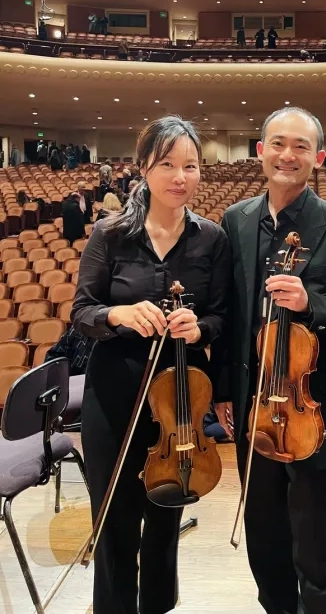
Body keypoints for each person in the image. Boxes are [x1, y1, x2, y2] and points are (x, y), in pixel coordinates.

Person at [71, 115, 230, 614]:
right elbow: (81, 312)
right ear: (143, 167)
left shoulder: (212, 239)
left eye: (190, 165)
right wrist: (117, 312)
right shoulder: (110, 234)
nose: (180, 176)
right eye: (167, 164)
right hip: (114, 395)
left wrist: (199, 327)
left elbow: (223, 315)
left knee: (164, 522)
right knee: (114, 524)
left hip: (179, 401)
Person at [214, 106, 326, 614]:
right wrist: (223, 388)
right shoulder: (237, 220)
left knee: (317, 543)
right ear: (260, 152)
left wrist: (310, 303)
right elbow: (230, 312)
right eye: (277, 143)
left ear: (318, 157)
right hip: (252, 407)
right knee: (265, 539)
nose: (287, 154)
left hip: (310, 410)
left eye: (300, 146)